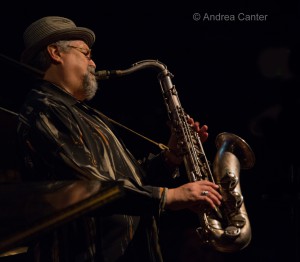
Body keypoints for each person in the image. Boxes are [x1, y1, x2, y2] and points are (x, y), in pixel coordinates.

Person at [16, 16, 222, 262]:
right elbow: (91, 189)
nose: (93, 63)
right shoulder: (45, 109)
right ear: (55, 53)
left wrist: (169, 158)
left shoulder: (80, 112)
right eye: (85, 53)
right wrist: (170, 197)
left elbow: (125, 180)